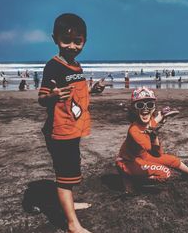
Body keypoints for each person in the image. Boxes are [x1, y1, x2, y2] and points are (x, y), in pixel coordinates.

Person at [38, 13, 104, 233]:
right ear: (54, 38)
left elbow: (77, 92)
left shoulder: (76, 65)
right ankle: (72, 224)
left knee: (71, 170)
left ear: (85, 40)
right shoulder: (52, 67)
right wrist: (53, 95)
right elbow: (41, 99)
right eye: (67, 40)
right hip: (59, 130)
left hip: (73, 128)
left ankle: (69, 206)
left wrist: (92, 90)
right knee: (64, 175)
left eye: (78, 41)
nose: (72, 46)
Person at [116, 87, 188, 194]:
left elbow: (154, 121)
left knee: (172, 160)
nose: (145, 109)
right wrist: (154, 137)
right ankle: (132, 180)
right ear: (134, 109)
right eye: (140, 105)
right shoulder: (134, 130)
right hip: (127, 162)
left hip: (141, 156)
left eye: (149, 105)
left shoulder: (148, 123)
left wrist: (162, 115)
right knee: (165, 173)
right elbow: (156, 153)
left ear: (153, 108)